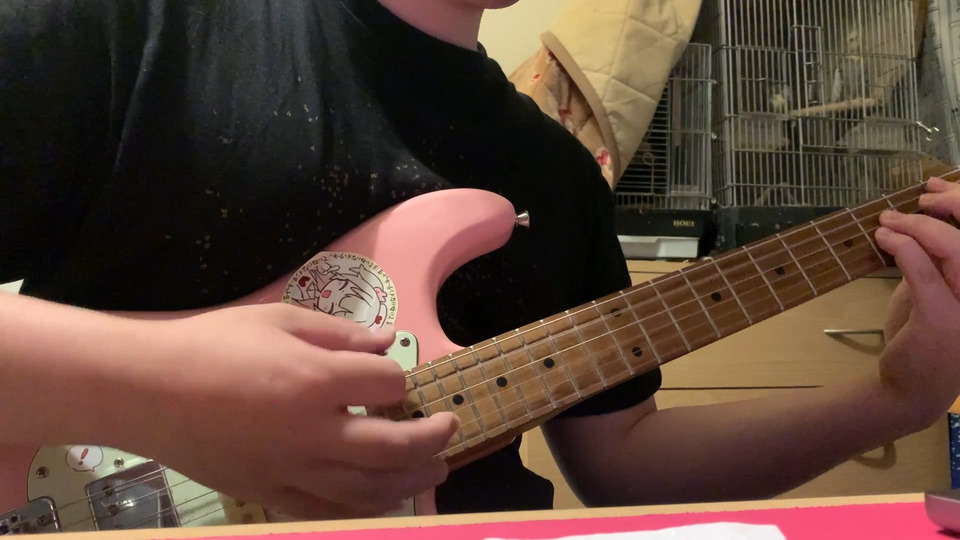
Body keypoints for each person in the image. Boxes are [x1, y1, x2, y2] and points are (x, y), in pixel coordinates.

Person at [2, 0, 960, 522]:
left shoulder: (553, 172)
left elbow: (621, 466)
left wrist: (893, 400)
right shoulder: (130, 24)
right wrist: (157, 389)